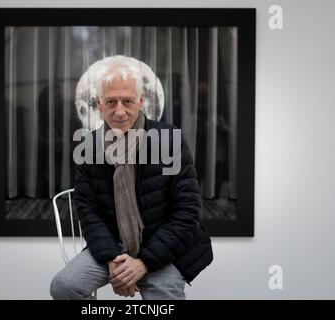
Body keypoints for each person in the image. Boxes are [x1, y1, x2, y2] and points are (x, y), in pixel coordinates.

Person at [50, 55, 213, 300]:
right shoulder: (89, 147)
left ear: (141, 102)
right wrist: (112, 261)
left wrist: (143, 263)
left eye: (127, 101)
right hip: (113, 248)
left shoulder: (170, 141)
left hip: (163, 247)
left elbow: (187, 212)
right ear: (99, 103)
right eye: (111, 101)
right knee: (63, 286)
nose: (119, 111)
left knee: (163, 299)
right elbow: (88, 211)